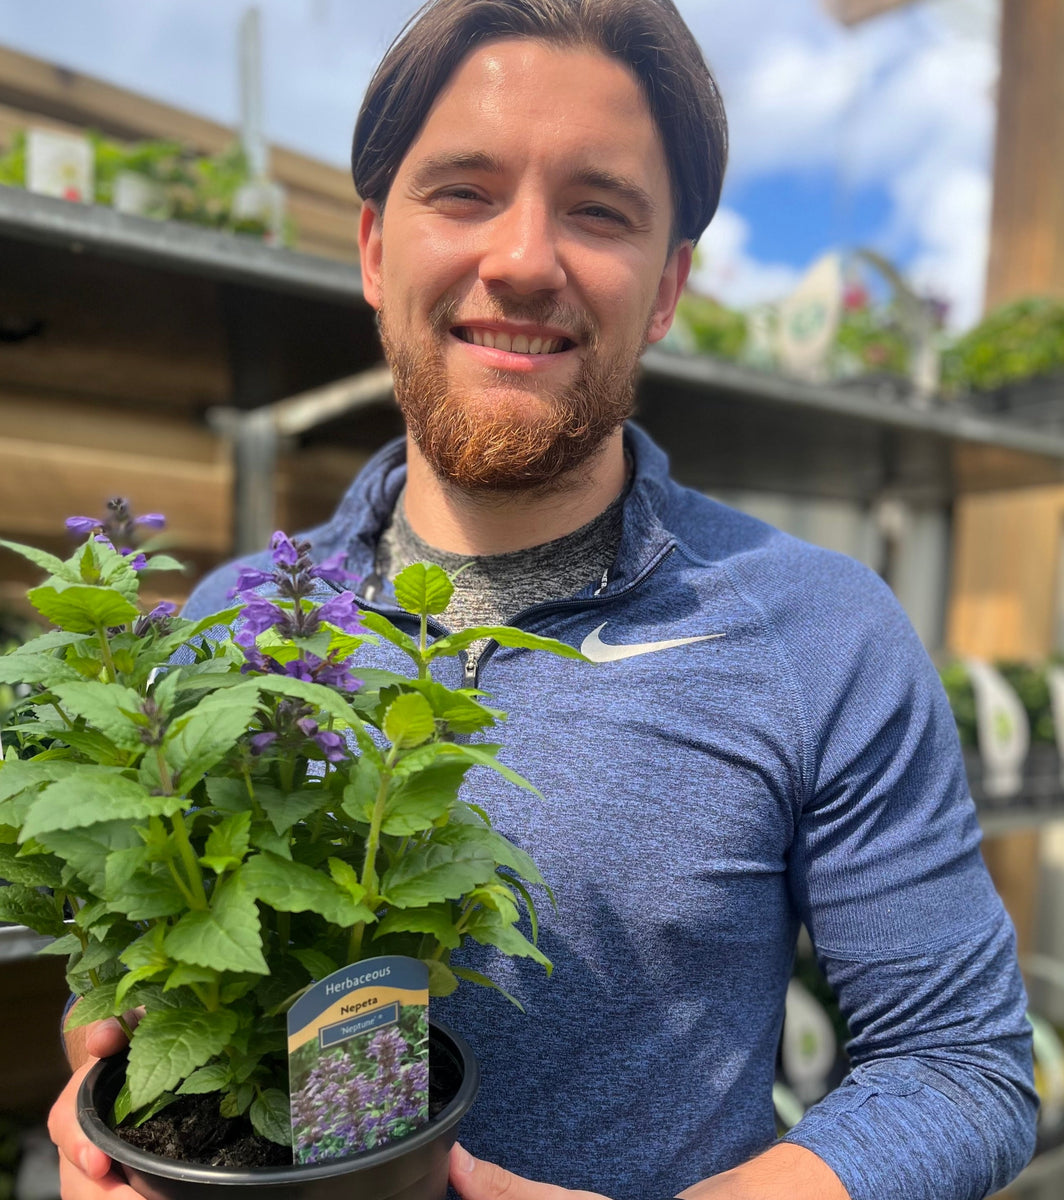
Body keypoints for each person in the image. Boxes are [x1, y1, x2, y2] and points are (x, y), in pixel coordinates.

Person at [50, 1, 1037, 1197]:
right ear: (373, 248)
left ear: (667, 287)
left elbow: (963, 1067)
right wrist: (114, 1086)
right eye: (463, 190)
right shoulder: (227, 621)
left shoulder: (821, 632)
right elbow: (143, 980)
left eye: (599, 209)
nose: (521, 260)